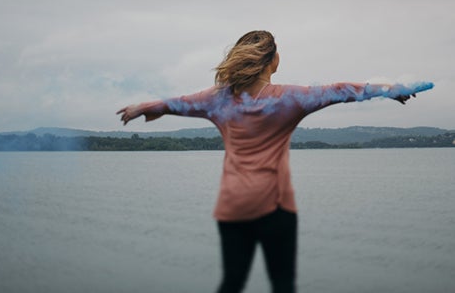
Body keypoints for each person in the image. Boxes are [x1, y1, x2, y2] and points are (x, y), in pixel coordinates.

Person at [116, 30, 422, 293]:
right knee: (283, 284)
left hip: (232, 206)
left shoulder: (217, 99)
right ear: (272, 61)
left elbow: (177, 103)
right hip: (275, 207)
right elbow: (339, 91)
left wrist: (142, 106)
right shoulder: (287, 99)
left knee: (232, 282)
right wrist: (389, 91)